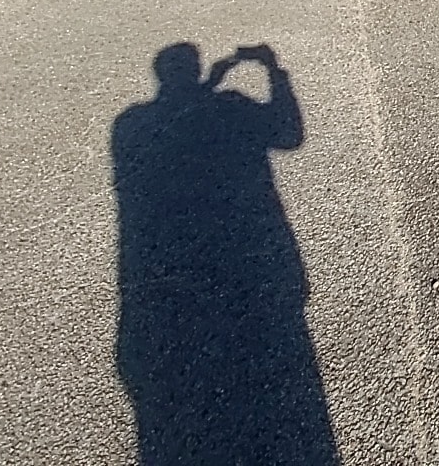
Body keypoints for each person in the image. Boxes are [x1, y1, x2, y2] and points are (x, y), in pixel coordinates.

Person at [112, 43, 337, 464]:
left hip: (160, 273)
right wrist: (274, 69)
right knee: (284, 377)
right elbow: (289, 134)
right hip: (260, 259)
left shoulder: (130, 123)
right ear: (192, 70)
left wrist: (207, 90)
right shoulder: (231, 106)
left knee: (176, 405)